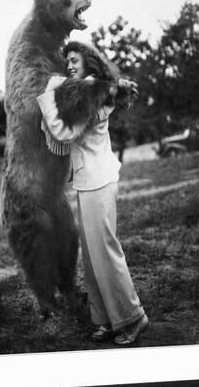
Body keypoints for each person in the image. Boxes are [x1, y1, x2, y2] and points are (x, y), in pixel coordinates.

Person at [36, 41, 148, 345]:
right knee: (93, 255)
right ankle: (105, 319)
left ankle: (132, 316)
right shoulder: (86, 91)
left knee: (106, 252)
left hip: (98, 180)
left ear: (89, 62)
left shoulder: (92, 93)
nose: (69, 65)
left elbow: (63, 133)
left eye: (75, 59)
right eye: (67, 61)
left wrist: (46, 97)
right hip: (88, 181)